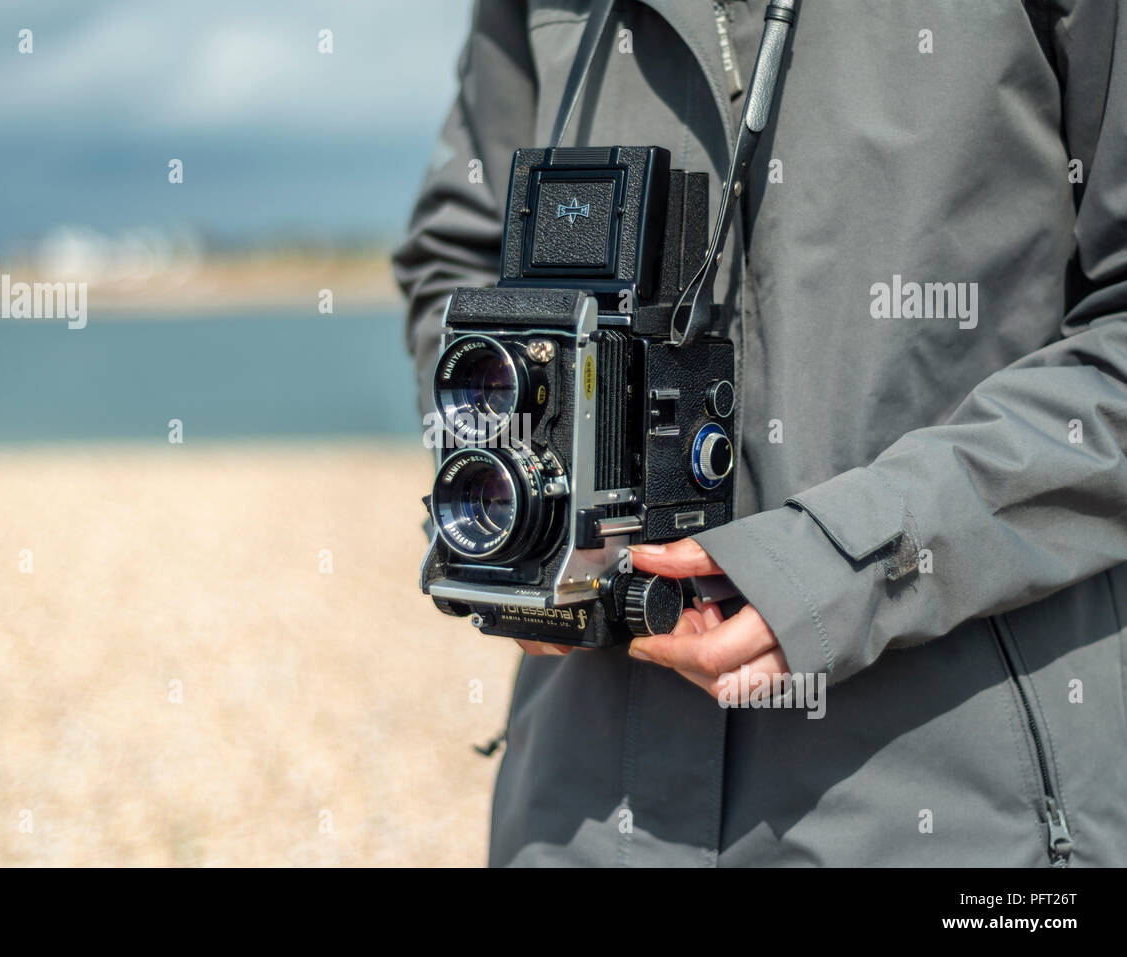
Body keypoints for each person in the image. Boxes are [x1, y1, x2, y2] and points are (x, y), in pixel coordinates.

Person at [392, 0, 1127, 866]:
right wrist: (519, 517)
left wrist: (853, 559)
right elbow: (460, 258)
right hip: (580, 803)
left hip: (952, 811)